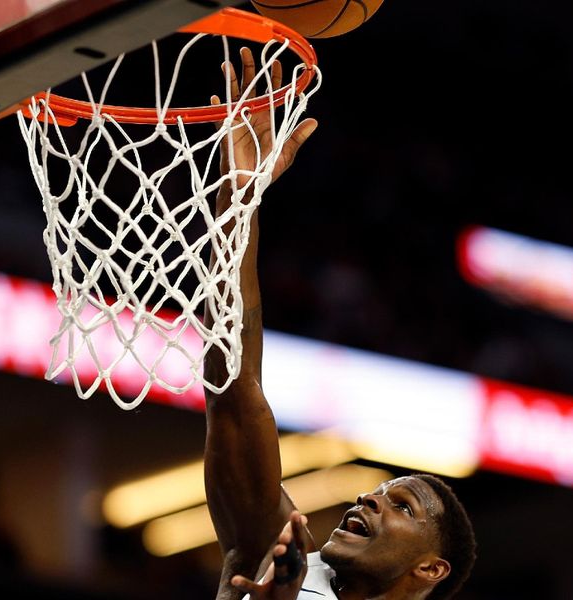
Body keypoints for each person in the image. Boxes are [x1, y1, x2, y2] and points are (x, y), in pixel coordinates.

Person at [203, 48, 477, 600]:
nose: (369, 500)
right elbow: (234, 389)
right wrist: (240, 200)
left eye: (402, 507)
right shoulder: (275, 554)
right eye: (380, 492)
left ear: (430, 569)